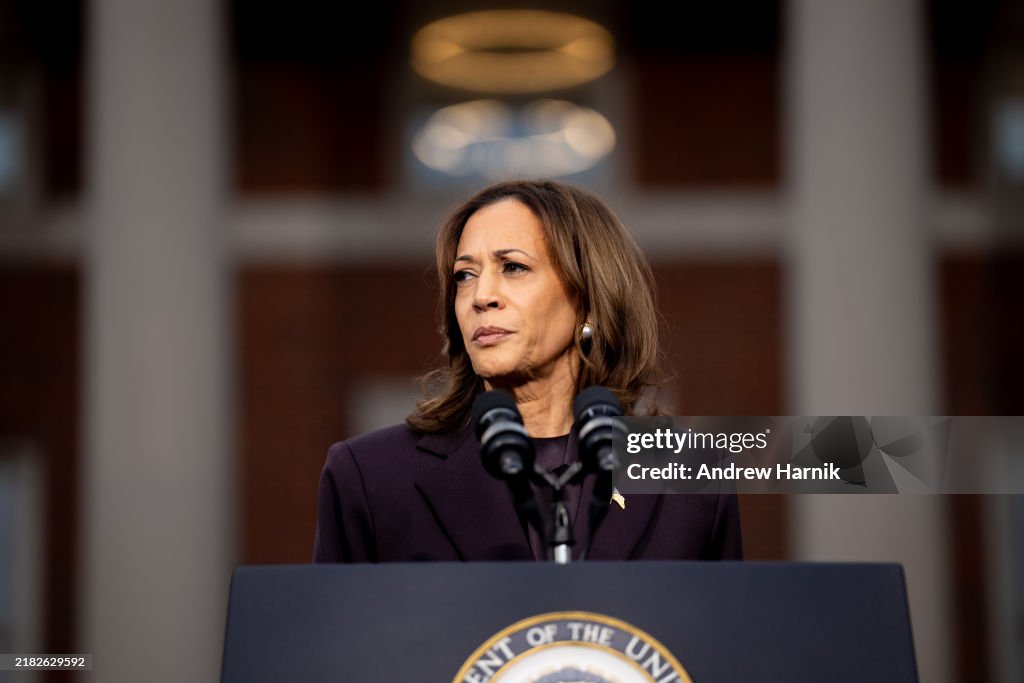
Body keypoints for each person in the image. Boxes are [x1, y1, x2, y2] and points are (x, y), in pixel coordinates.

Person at [313, 180, 742, 562]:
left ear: (588, 297)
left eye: (513, 267)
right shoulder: (369, 475)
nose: (481, 296)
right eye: (464, 275)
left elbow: (721, 641)